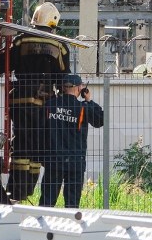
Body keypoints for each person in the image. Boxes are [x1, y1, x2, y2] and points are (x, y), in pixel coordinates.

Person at [7, 2, 70, 201]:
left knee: (21, 144)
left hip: (20, 98)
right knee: (37, 146)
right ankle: (28, 190)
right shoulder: (59, 45)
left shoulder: (19, 41)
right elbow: (63, 78)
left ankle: (16, 191)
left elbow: (4, 63)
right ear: (52, 22)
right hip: (44, 102)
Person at [40, 73, 104, 208]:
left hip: (53, 159)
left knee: (47, 201)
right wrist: (88, 100)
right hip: (75, 161)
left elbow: (40, 130)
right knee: (72, 203)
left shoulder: (50, 105)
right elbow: (100, 120)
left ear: (63, 88)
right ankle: (71, 226)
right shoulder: (83, 107)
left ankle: (41, 224)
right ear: (80, 88)